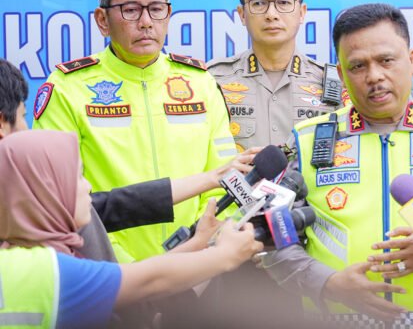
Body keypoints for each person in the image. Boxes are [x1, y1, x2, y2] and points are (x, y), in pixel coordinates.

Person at [262, 3, 413, 328]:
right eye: (358, 66)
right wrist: (326, 283)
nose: (374, 76)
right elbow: (271, 238)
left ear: (412, 61)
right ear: (341, 74)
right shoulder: (306, 140)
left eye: (386, 60)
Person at [32, 0, 236, 262]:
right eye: (131, 10)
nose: (146, 22)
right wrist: (122, 266)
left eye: (156, 9)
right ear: (102, 20)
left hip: (198, 262)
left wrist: (199, 247)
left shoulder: (200, 82)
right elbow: (57, 197)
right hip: (106, 269)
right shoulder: (67, 88)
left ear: (168, 15)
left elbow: (224, 179)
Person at [0, 129, 263, 329]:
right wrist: (225, 255)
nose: (89, 187)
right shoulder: (46, 271)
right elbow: (146, 283)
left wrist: (197, 243)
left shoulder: (15, 259)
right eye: (77, 176)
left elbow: (129, 281)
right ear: (46, 191)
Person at [208, 0, 344, 152]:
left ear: (302, 12)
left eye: (284, 3)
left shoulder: (333, 83)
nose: (271, 15)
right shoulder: (213, 80)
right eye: (259, 3)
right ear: (242, 14)